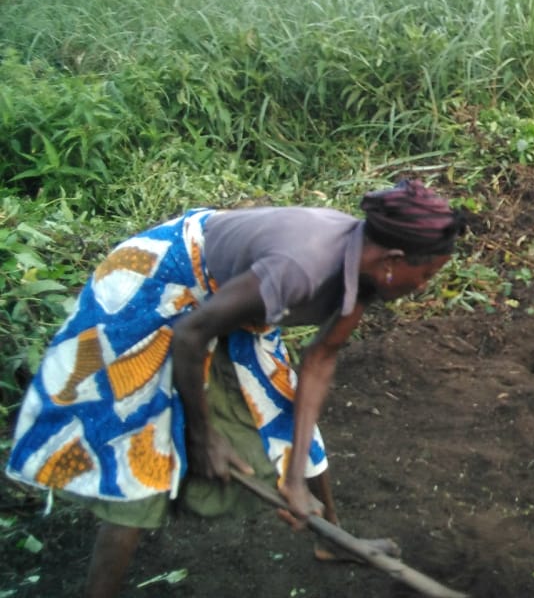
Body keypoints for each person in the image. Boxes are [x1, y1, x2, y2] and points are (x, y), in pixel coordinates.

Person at [5, 179, 467, 598]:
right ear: (392, 261)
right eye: (425, 276)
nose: (425, 287)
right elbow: (190, 334)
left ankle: (334, 540)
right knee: (139, 439)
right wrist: (203, 436)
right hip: (158, 284)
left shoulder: (364, 268)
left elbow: (321, 359)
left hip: (229, 299)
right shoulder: (300, 267)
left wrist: (291, 480)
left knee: (279, 410)